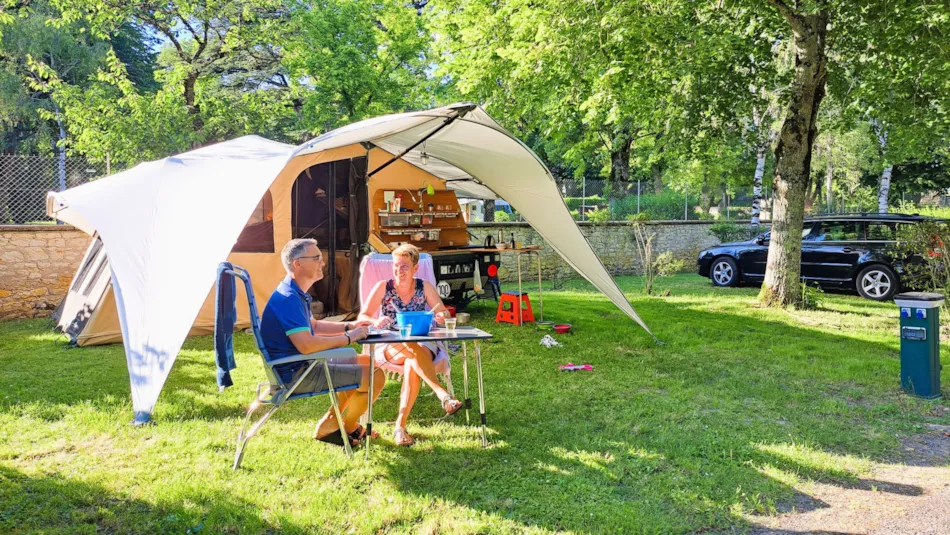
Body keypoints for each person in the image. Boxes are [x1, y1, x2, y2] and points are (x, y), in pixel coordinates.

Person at [261, 238, 385, 447]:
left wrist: (351, 326)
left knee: (366, 362)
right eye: (316, 258)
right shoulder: (289, 298)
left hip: (301, 364)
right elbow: (307, 345)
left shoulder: (294, 292)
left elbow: (315, 326)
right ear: (297, 264)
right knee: (376, 376)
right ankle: (345, 426)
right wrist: (349, 338)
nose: (323, 262)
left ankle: (331, 421)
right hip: (297, 373)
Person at [358, 244, 463, 446]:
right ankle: (442, 394)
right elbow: (363, 315)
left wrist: (441, 316)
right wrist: (375, 322)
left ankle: (400, 426)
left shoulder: (424, 287)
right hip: (390, 345)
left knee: (411, 362)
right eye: (396, 265)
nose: (399, 270)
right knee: (409, 347)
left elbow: (443, 312)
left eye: (405, 266)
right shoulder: (383, 287)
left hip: (423, 344)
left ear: (415, 268)